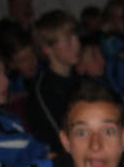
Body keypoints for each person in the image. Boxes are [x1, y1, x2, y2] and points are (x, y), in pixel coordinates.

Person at [24, 10, 81, 147]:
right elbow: (60, 139)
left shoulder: (81, 80)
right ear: (47, 49)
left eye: (76, 37)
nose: (77, 44)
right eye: (68, 40)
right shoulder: (43, 91)